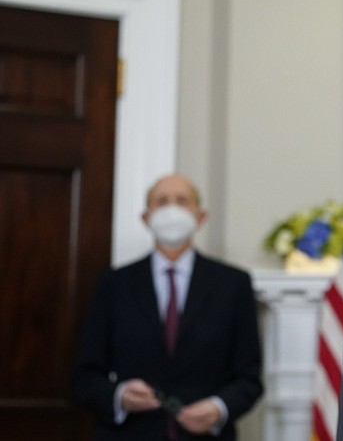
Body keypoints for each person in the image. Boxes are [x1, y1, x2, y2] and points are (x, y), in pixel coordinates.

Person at [72, 174, 263, 440]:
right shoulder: (113, 284)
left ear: (201, 217)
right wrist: (120, 396)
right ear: (145, 217)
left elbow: (249, 377)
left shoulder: (233, 284)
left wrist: (219, 408)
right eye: (161, 202)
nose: (172, 210)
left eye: (182, 201)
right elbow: (86, 375)